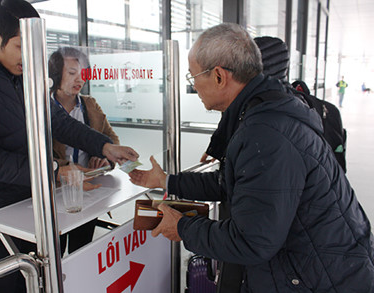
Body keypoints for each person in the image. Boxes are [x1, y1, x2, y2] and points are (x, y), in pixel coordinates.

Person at [129, 23, 374, 292]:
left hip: (321, 278)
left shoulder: (266, 133)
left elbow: (251, 242)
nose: (194, 87)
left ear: (219, 76)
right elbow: (231, 183)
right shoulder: (264, 109)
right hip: (315, 265)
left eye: (193, 77)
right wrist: (168, 180)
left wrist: (184, 228)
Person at [0, 1, 138, 292]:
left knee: (46, 281)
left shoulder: (23, 76)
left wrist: (105, 147)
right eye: (21, 47)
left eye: (34, 49)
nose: (29, 58)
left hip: (37, 202)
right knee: (6, 285)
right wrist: (56, 170)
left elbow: (59, 122)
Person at [48, 46, 120, 254]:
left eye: (83, 75)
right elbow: (36, 153)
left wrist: (104, 157)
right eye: (72, 74)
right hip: (56, 191)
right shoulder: (42, 108)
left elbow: (111, 139)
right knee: (56, 252)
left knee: (82, 250)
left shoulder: (89, 105)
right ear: (55, 75)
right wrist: (64, 168)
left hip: (88, 190)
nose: (79, 80)